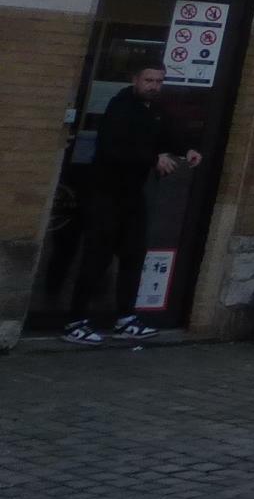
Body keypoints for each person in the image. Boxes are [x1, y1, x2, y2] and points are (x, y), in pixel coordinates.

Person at [62, 63, 199, 345]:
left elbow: (166, 135)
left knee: (133, 256)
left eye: (159, 81)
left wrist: (186, 149)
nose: (154, 86)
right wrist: (153, 159)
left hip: (132, 195)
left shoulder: (154, 110)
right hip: (106, 194)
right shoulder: (120, 107)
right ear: (135, 79)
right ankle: (75, 322)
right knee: (97, 258)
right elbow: (113, 149)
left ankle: (125, 318)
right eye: (149, 80)